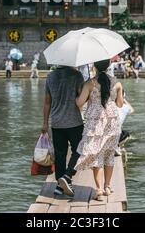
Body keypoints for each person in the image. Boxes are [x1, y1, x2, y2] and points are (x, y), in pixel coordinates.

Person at [75, 60, 123, 201]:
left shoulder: (90, 83)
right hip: (113, 123)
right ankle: (108, 186)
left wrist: (80, 93)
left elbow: (79, 103)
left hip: (95, 124)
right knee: (109, 155)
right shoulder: (117, 83)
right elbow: (120, 104)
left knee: (96, 156)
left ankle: (99, 189)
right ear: (108, 67)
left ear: (94, 67)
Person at [42, 66, 84, 197]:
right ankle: (67, 176)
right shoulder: (77, 75)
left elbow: (47, 102)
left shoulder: (51, 77)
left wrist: (44, 123)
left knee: (60, 154)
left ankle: (59, 186)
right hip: (74, 122)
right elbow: (80, 100)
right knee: (80, 150)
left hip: (57, 122)